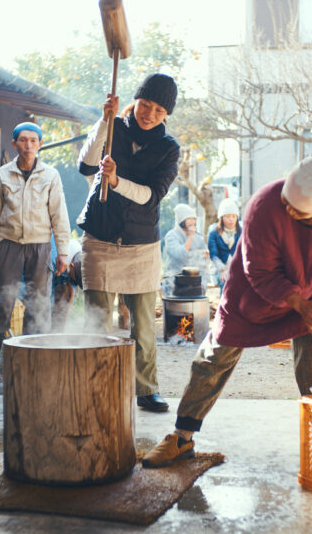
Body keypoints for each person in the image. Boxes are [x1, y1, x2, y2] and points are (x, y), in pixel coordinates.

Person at [142, 148, 312, 467]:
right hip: (254, 294)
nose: (285, 209)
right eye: (285, 201)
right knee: (213, 358)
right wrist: (300, 302)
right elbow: (261, 272)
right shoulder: (263, 204)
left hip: (309, 293)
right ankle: (181, 437)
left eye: (296, 211)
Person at [77, 73, 181, 413]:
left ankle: (146, 389)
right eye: (145, 104)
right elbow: (86, 165)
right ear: (134, 101)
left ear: (167, 115)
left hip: (141, 244)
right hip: (101, 236)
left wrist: (117, 180)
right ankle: (96, 386)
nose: (149, 113)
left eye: (159, 110)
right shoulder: (114, 130)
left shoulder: (168, 149)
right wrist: (105, 119)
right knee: (98, 320)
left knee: (143, 324)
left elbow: (151, 197)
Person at [0, 122, 71, 380]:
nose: (28, 145)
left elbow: (59, 215)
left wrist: (62, 251)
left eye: (33, 140)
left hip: (40, 246)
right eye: (23, 140)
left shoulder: (51, 175)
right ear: (14, 144)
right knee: (4, 301)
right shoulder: (1, 175)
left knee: (38, 303)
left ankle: (30, 361)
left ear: (40, 144)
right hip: (8, 245)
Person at [163, 203, 208, 295]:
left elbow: (204, 260)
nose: (193, 222)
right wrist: (190, 237)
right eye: (189, 218)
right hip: (175, 280)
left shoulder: (198, 237)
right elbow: (180, 255)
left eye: (194, 219)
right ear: (181, 220)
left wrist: (204, 283)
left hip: (195, 280)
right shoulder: (171, 236)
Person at [207, 198, 241, 293]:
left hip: (237, 269)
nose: (231, 219)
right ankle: (224, 306)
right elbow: (213, 255)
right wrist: (222, 269)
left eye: (234, 216)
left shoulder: (241, 232)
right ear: (221, 218)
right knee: (226, 280)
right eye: (228, 216)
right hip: (219, 271)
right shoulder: (213, 233)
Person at [51, 239, 83, 333]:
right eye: (75, 280)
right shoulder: (54, 260)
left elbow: (68, 300)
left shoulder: (79, 257)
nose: (75, 283)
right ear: (72, 266)